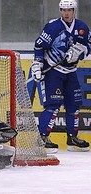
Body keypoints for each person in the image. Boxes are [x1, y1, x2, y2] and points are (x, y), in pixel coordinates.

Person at [31, 0, 90, 153]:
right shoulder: (53, 27)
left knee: (74, 105)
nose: (66, 13)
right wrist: (37, 64)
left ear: (74, 10)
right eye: (63, 10)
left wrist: (80, 52)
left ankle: (72, 138)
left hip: (71, 72)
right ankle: (43, 138)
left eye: (69, 10)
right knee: (53, 105)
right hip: (54, 72)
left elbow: (88, 45)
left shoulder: (82, 27)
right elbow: (39, 46)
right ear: (60, 11)